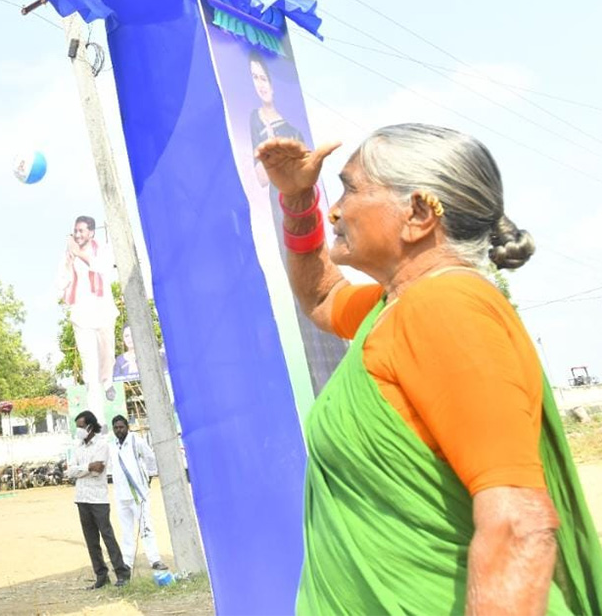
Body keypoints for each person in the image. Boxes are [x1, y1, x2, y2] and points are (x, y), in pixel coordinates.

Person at [256, 123, 602, 614]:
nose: (335, 208)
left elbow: (517, 525)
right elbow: (321, 296)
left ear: (417, 214)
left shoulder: (446, 306)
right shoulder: (395, 306)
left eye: (351, 189)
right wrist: (297, 202)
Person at [248, 50, 347, 393]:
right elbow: (319, 300)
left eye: (263, 77)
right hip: (284, 217)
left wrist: (301, 195)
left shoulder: (290, 129)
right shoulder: (254, 122)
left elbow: (325, 300)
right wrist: (293, 196)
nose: (341, 212)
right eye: (254, 78)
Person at [58, 216, 119, 420]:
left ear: (91, 232)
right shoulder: (70, 254)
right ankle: (98, 420)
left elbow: (102, 267)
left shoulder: (104, 248)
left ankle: (108, 381)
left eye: (81, 231)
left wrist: (79, 253)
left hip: (103, 312)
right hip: (81, 316)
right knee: (89, 370)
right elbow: (64, 277)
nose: (77, 234)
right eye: (75, 231)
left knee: (107, 356)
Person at [67, 410, 130, 590]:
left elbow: (99, 470)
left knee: (107, 536)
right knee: (91, 540)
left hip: (98, 498)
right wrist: (87, 467)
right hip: (81, 498)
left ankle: (122, 573)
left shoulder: (102, 445)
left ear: (90, 426)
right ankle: (101, 575)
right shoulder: (77, 446)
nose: (78, 430)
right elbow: (70, 471)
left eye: (80, 426)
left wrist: (81, 470)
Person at [109, 415, 168, 573]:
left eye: (121, 427)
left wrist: (148, 477)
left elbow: (150, 458)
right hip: (121, 495)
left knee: (146, 528)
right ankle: (127, 562)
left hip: (138, 494)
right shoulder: (112, 446)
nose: (119, 430)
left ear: (127, 427)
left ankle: (154, 559)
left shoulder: (136, 441)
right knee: (126, 531)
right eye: (116, 428)